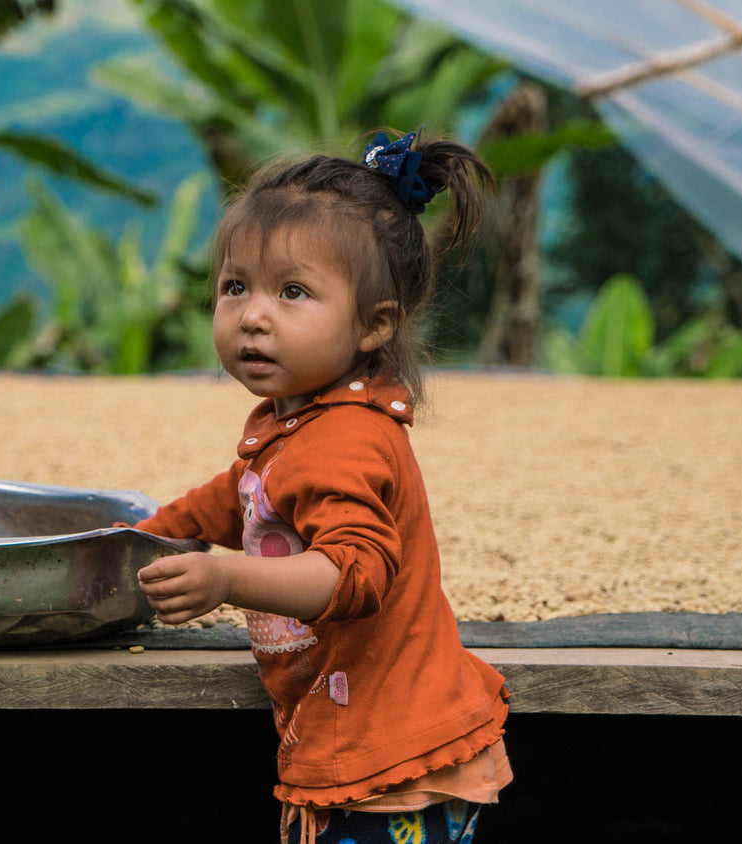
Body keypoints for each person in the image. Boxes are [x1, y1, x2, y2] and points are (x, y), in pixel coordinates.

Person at [133, 128, 512, 844]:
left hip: (397, 769)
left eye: (294, 292)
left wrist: (224, 578)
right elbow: (240, 496)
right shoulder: (298, 421)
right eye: (235, 286)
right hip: (362, 743)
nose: (253, 314)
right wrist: (140, 537)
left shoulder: (346, 438)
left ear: (374, 327)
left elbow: (354, 572)